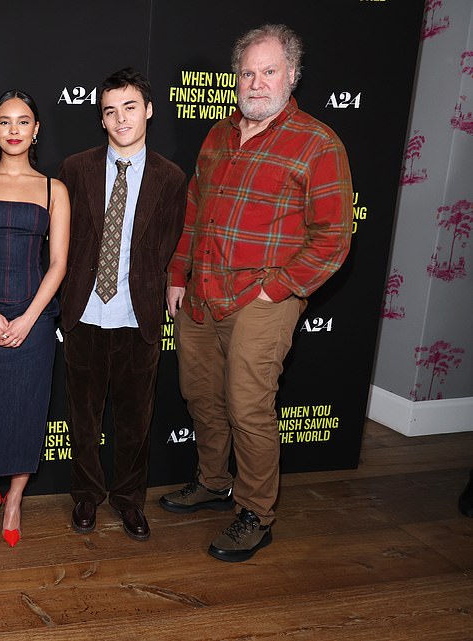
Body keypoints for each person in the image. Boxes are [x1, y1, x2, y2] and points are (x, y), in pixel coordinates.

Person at [161, 24, 354, 562]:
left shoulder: (318, 143)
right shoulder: (219, 135)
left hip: (264, 300)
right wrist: (179, 274)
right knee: (202, 396)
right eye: (247, 72)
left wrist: (276, 289)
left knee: (248, 407)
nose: (257, 82)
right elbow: (194, 212)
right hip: (202, 292)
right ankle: (213, 481)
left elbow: (334, 237)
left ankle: (255, 513)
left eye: (269, 71)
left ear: (292, 75)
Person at [60, 68, 186, 542]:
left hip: (139, 316)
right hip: (83, 312)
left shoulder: (171, 178)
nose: (120, 119)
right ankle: (87, 497)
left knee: (135, 421)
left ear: (149, 110)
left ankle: (130, 501)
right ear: (101, 118)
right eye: (110, 110)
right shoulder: (76, 168)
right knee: (84, 418)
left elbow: (175, 244)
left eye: (130, 107)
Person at [0, 90, 70, 547]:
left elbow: (60, 263)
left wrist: (29, 318)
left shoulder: (54, 189)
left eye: (23, 121)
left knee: (29, 408)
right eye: (4, 121)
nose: (13, 130)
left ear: (36, 130)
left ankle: (15, 501)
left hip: (36, 317)